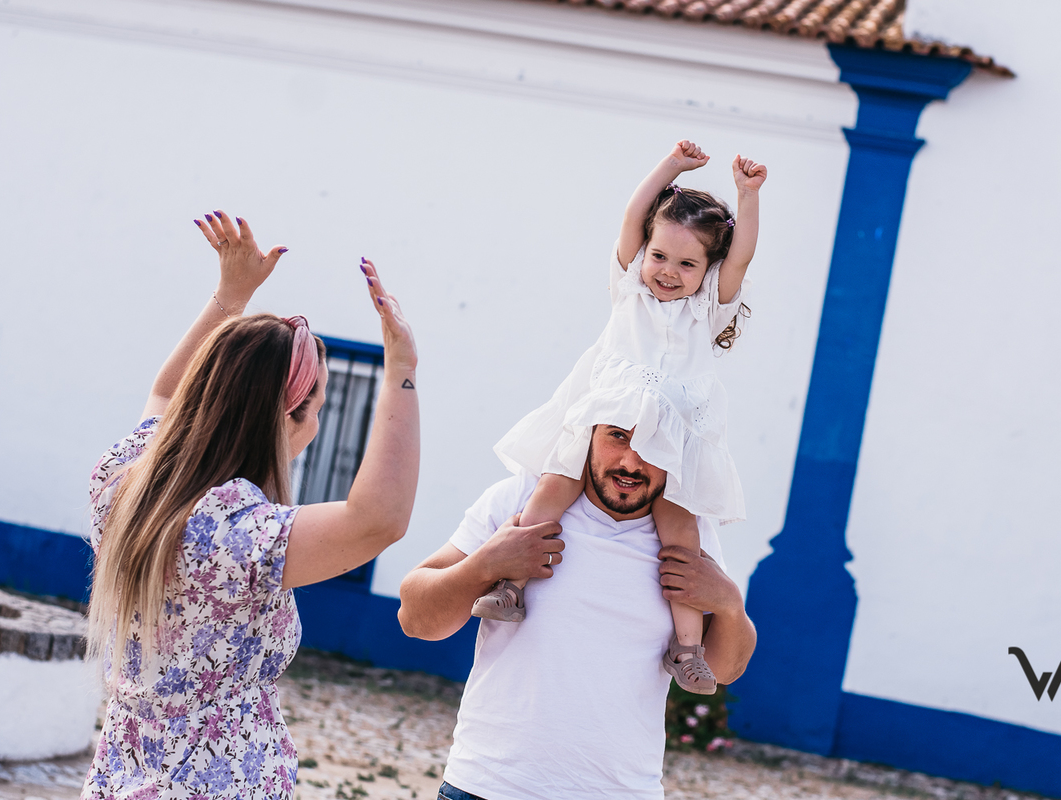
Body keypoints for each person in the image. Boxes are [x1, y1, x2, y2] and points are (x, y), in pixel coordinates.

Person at [81, 211, 419, 799]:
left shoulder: (126, 482)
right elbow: (378, 521)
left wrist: (230, 296)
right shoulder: (233, 532)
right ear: (290, 417)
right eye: (316, 406)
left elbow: (165, 393)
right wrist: (403, 374)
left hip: (120, 781)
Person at [478, 140, 766, 694]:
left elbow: (742, 256)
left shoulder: (706, 310)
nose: (667, 271)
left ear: (707, 271)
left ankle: (686, 650)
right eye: (660, 256)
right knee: (551, 490)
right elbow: (634, 215)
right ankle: (512, 588)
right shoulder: (628, 288)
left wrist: (747, 197)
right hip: (604, 419)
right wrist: (671, 167)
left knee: (682, 540)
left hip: (674, 439)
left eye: (687, 264)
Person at [398, 423, 756, 800]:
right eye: (618, 435)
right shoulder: (521, 499)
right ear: (588, 431)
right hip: (487, 785)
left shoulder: (689, 535)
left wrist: (729, 604)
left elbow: (724, 669)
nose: (632, 461)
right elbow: (415, 619)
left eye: (656, 443)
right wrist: (485, 565)